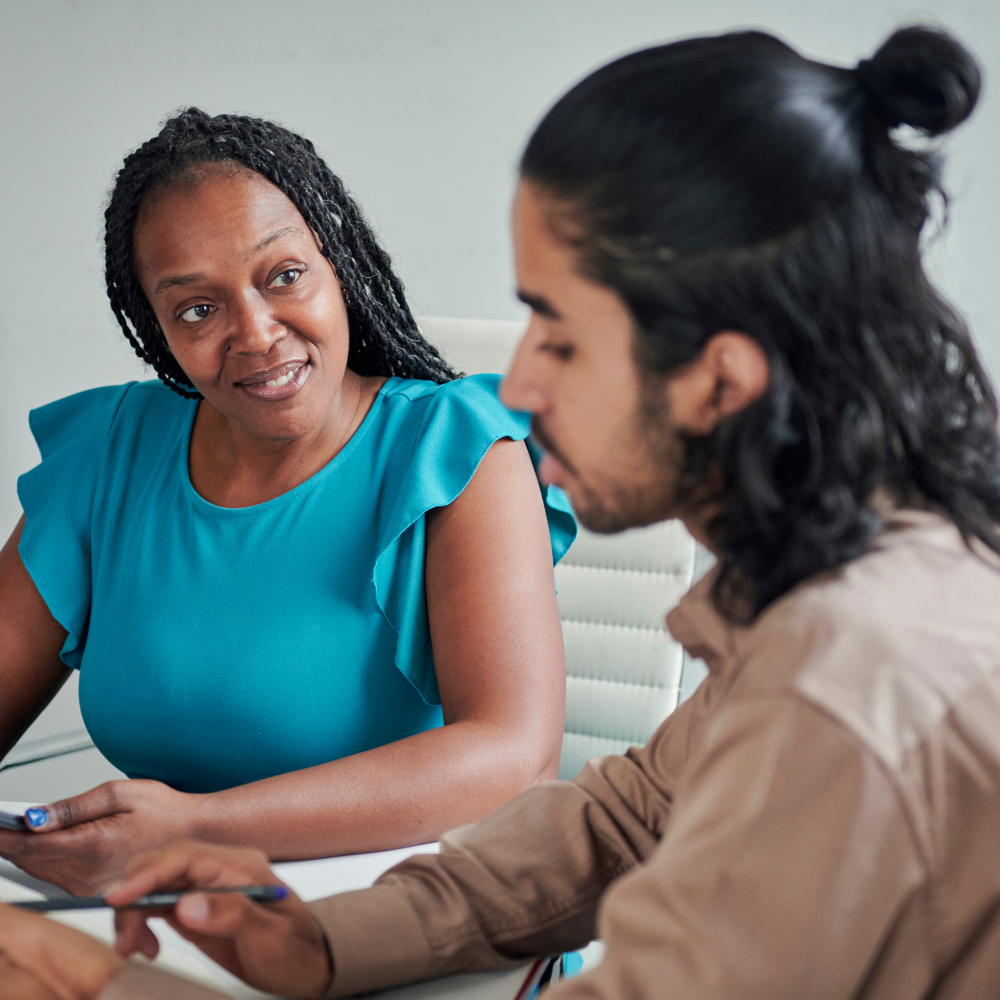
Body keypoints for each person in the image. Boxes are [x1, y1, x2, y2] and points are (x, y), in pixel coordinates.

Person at [5, 21, 1000, 1000]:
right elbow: (624, 821)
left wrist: (95, 984)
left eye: (559, 336)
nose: (515, 384)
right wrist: (320, 943)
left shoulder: (845, 691)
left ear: (718, 378)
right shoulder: (826, 601)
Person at [0, 109, 576, 896]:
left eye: (283, 276)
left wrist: (194, 830)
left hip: (403, 934)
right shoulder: (109, 453)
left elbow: (515, 755)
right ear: (155, 329)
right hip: (151, 926)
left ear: (338, 265)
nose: (256, 333)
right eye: (197, 309)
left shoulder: (454, 453)